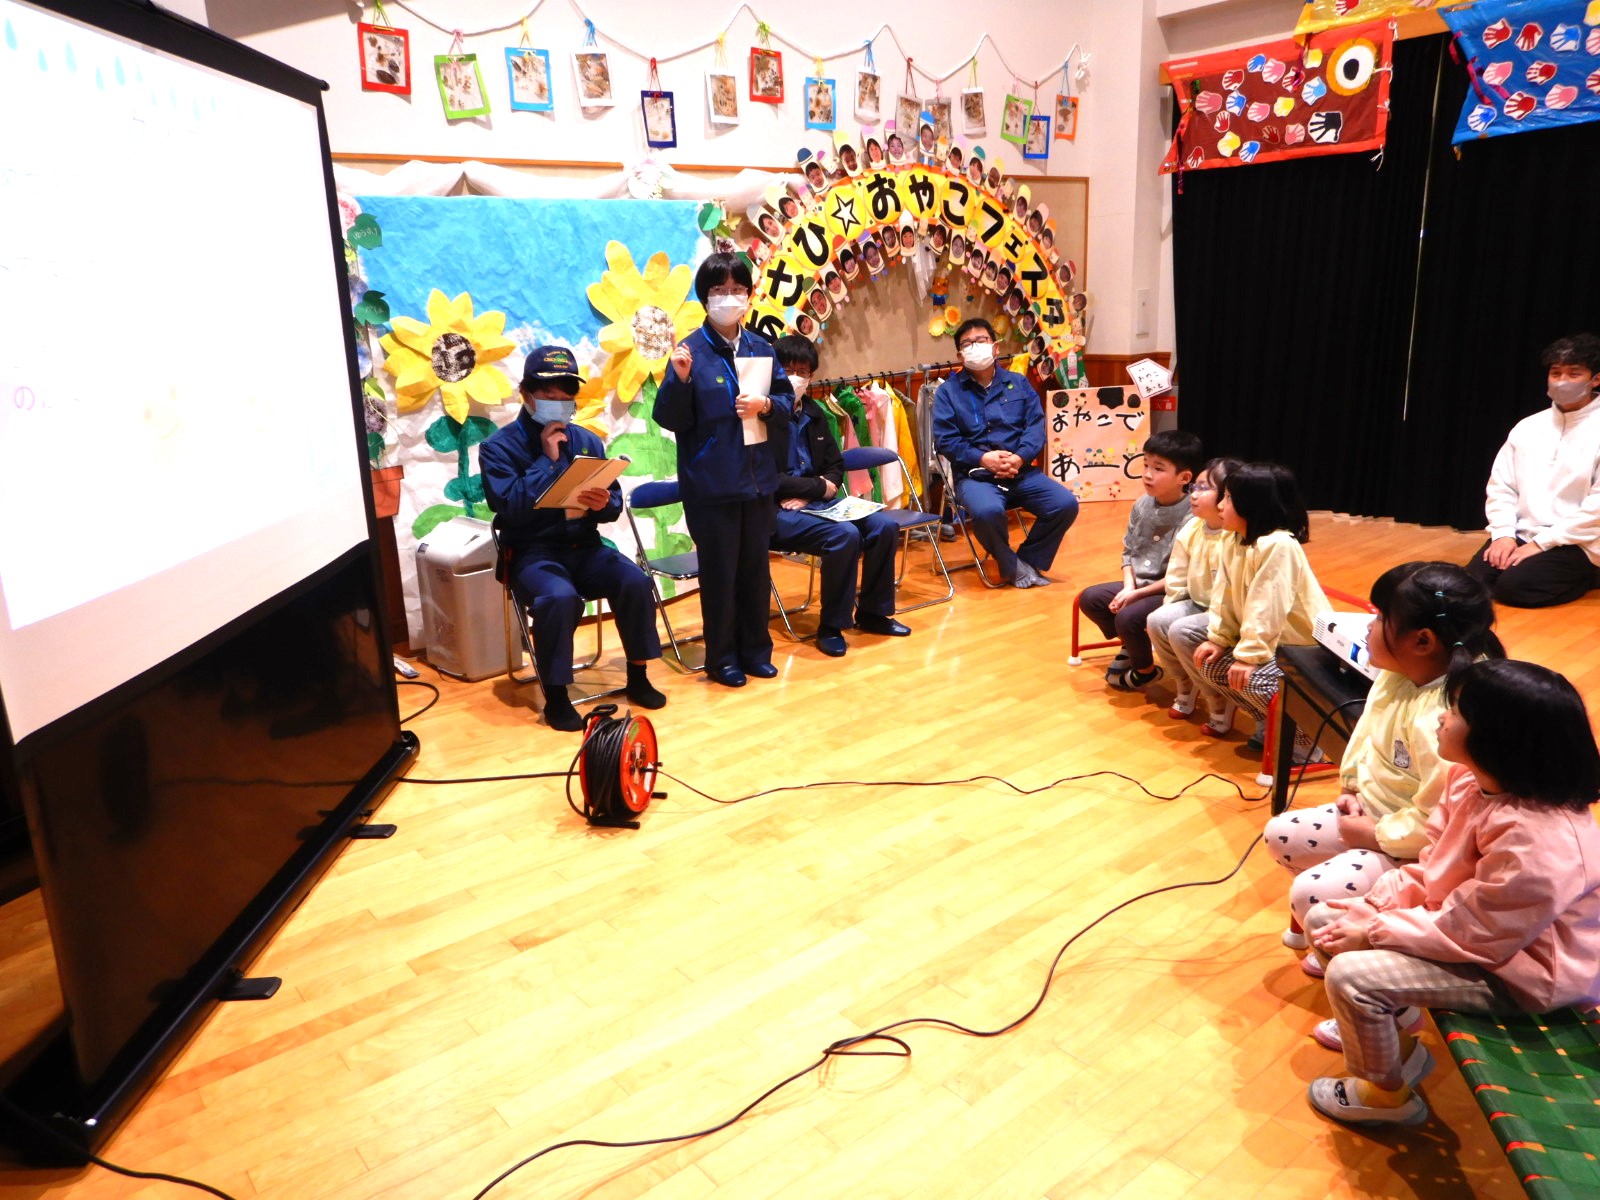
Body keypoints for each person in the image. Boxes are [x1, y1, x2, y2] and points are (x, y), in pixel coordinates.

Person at [1302, 659, 1600, 1127]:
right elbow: (1433, 868)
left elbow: (1478, 934)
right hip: (1468, 933)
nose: (1442, 717)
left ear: (1497, 737)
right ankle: (1399, 1048)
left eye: (1456, 710)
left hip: (1523, 973)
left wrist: (1377, 930)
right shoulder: (1469, 780)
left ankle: (1386, 1097)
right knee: (1326, 921)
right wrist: (1376, 907)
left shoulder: (1538, 840)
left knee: (1352, 977)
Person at [1266, 562, 1503, 975]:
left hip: (1420, 850)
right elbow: (1365, 735)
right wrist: (1352, 788)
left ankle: (1378, 982)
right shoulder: (1399, 673)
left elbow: (1439, 821)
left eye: (1379, 619)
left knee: (1313, 893)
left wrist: (1377, 836)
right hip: (1375, 819)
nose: (1368, 628)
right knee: (1281, 833)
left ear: (1423, 641)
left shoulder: (1448, 721)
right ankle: (1337, 932)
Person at [480, 346, 667, 730]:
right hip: (533, 553)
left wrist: (603, 503)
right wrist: (546, 461)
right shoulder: (498, 447)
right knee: (559, 598)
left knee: (634, 580)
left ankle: (638, 676)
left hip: (585, 548)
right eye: (549, 393)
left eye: (567, 394)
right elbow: (509, 507)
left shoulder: (587, 441)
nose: (559, 402)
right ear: (527, 394)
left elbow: (613, 506)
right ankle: (557, 697)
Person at [654, 254, 792, 687]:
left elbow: (787, 403)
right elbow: (669, 419)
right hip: (712, 487)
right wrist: (679, 380)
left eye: (736, 289)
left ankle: (756, 650)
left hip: (757, 482)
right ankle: (723, 658)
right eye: (718, 291)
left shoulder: (762, 348)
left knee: (756, 570)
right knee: (720, 575)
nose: (728, 298)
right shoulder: (690, 353)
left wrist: (766, 405)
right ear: (705, 298)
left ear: (749, 296)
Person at [768, 336, 911, 657]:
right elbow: (766, 478)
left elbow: (834, 465)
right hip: (775, 511)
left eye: (801, 371)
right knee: (843, 536)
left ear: (812, 376)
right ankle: (832, 625)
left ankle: (874, 613)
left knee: (884, 527)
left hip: (818, 503)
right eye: (786, 370)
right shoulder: (762, 416)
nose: (794, 377)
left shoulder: (816, 412)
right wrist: (815, 489)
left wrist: (818, 490)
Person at [1192, 463, 1332, 747]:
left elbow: (1267, 605)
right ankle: (1270, 724)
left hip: (1304, 649)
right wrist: (1219, 639)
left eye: (1229, 498)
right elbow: (1224, 596)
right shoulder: (1233, 539)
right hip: (1272, 645)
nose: (1220, 504)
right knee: (1211, 667)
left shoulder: (1279, 545)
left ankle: (1307, 742)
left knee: (1255, 680)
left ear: (1253, 504)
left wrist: (1250, 656)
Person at [933, 318, 1079, 588]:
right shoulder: (948, 392)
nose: (975, 347)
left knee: (1065, 504)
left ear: (995, 347)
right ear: (959, 354)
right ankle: (1010, 565)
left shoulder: (1019, 383)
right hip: (976, 476)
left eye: (981, 341)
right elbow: (945, 440)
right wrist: (983, 458)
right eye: (967, 344)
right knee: (987, 511)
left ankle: (1026, 559)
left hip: (1020, 471)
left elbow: (1036, 427)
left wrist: (1020, 457)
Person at [1466, 333, 1600, 608]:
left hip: (1580, 540)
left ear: (1595, 379)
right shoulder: (1528, 427)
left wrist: (1541, 545)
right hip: (1525, 530)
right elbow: (1501, 486)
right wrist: (1503, 534)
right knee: (1473, 582)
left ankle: (1591, 576)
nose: (1562, 380)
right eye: (1556, 372)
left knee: (1516, 589)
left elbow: (1596, 509)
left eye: (1574, 373)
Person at [1076, 431, 1205, 689]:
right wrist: (1128, 587)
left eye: (1158, 468)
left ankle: (1145, 671)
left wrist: (1136, 595)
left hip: (1174, 591)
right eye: (1145, 464)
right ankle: (1130, 644)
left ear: (1185, 478)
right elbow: (1128, 551)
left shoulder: (1193, 515)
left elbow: (1185, 577)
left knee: (1129, 616)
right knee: (1091, 598)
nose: (1147, 473)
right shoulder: (1142, 504)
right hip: (1141, 585)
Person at [1148, 457, 1239, 718]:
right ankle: (1185, 682)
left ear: (1226, 495)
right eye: (1194, 487)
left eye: (1204, 488)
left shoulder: (1234, 534)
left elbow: (1232, 595)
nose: (1194, 495)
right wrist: (1171, 607)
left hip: (1226, 611)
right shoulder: (1193, 527)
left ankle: (1216, 697)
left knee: (1181, 630)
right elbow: (1176, 576)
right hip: (1199, 602)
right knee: (1158, 620)